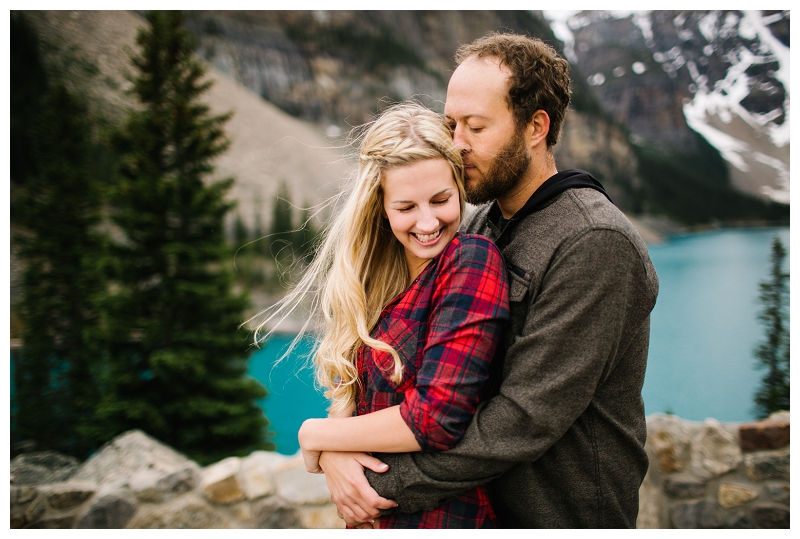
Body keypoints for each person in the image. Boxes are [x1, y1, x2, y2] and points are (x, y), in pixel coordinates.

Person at [318, 32, 660, 529]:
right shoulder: (475, 223)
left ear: (535, 127)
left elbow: (521, 421)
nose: (456, 144)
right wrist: (334, 446)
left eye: (475, 127)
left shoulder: (594, 241)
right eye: (451, 123)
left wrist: (375, 484)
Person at [253, 103, 510, 528]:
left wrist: (315, 436)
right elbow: (358, 416)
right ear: (382, 206)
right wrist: (336, 453)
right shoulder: (376, 286)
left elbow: (436, 418)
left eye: (442, 200)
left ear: (459, 192)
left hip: (444, 520)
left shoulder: (470, 260)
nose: (428, 222)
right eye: (407, 207)